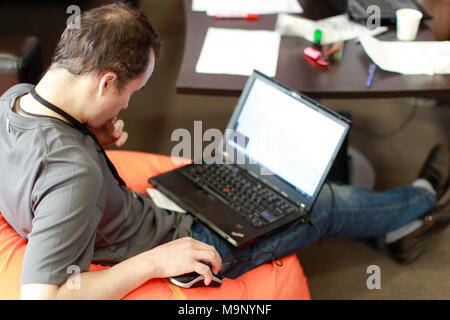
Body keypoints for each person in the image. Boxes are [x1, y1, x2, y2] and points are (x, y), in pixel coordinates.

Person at [0, 2, 448, 300]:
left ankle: (392, 228)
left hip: (148, 208)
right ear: (105, 82)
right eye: (131, 92)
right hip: (186, 247)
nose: (127, 105)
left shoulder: (16, 99)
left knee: (241, 179)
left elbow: (41, 170)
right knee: (317, 202)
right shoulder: (72, 174)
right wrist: (156, 261)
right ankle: (421, 200)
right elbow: (43, 297)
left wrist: (90, 138)